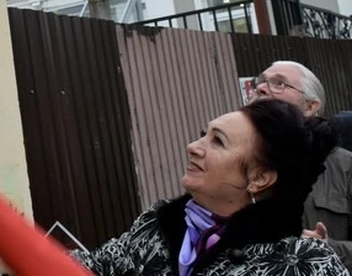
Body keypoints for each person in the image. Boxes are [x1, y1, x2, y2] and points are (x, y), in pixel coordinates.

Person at [74, 99, 347, 275]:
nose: (193, 147)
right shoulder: (155, 229)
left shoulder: (303, 264)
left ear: (259, 178)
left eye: (218, 141)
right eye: (203, 134)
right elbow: (85, 268)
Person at [251, 61, 352, 269]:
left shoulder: (346, 167)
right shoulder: (228, 161)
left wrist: (326, 248)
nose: (261, 87)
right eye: (260, 82)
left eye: (279, 83)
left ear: (310, 107)